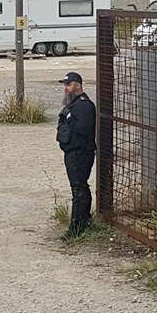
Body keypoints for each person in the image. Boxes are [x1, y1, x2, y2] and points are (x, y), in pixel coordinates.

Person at [56, 71, 96, 239]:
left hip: (80, 153)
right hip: (73, 152)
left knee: (78, 189)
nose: (66, 89)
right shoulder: (72, 105)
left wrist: (69, 119)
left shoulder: (84, 105)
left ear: (77, 85)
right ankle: (83, 221)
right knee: (79, 187)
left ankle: (77, 228)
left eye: (68, 85)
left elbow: (84, 129)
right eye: (65, 85)